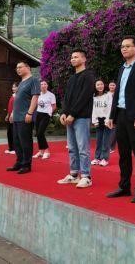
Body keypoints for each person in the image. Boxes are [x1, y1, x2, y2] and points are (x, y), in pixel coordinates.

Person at [106, 36, 135, 204]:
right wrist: (112, 115)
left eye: (127, 46)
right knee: (123, 154)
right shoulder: (122, 68)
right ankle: (124, 186)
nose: (124, 49)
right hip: (121, 115)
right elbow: (117, 94)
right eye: (122, 47)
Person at [57, 49, 95, 188]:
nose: (73, 59)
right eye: (72, 57)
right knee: (72, 147)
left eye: (76, 57)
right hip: (69, 117)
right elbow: (67, 98)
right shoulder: (72, 78)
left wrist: (72, 114)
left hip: (81, 117)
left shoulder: (89, 75)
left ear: (84, 59)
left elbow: (84, 97)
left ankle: (86, 176)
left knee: (82, 148)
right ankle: (74, 174)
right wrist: (63, 112)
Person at [7, 62, 40, 174]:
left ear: (28, 67)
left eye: (20, 67)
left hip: (25, 116)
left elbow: (35, 97)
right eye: (17, 68)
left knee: (25, 141)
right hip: (16, 117)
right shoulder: (21, 83)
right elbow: (17, 100)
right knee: (16, 142)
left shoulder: (33, 80)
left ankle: (26, 164)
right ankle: (19, 162)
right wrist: (12, 113)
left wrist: (30, 113)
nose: (18, 69)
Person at [92, 79, 113, 167]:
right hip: (98, 120)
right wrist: (94, 120)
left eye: (101, 84)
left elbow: (110, 108)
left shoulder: (108, 95)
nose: (100, 86)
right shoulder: (94, 96)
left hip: (106, 120)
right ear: (95, 86)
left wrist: (107, 120)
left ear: (104, 85)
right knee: (98, 140)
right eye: (98, 85)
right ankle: (97, 158)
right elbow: (93, 109)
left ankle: (104, 158)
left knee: (105, 141)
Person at [34, 80, 57, 160]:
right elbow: (35, 104)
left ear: (47, 85)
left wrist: (49, 113)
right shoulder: (38, 94)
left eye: (45, 84)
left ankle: (47, 151)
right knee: (38, 133)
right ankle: (41, 151)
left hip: (46, 115)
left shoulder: (51, 95)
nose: (43, 85)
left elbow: (54, 106)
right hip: (38, 114)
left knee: (40, 132)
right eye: (41, 84)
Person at [4, 82, 18, 155]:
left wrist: (12, 115)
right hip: (10, 116)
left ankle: (15, 148)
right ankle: (11, 148)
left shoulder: (18, 96)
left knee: (14, 133)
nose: (13, 88)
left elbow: (16, 107)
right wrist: (7, 115)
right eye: (13, 87)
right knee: (9, 132)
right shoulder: (13, 95)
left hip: (15, 117)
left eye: (15, 87)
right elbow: (10, 106)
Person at [108, 81, 118, 153]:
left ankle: (111, 147)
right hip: (106, 114)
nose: (112, 86)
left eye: (113, 85)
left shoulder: (117, 94)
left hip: (115, 114)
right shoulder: (106, 94)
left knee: (114, 131)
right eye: (110, 85)